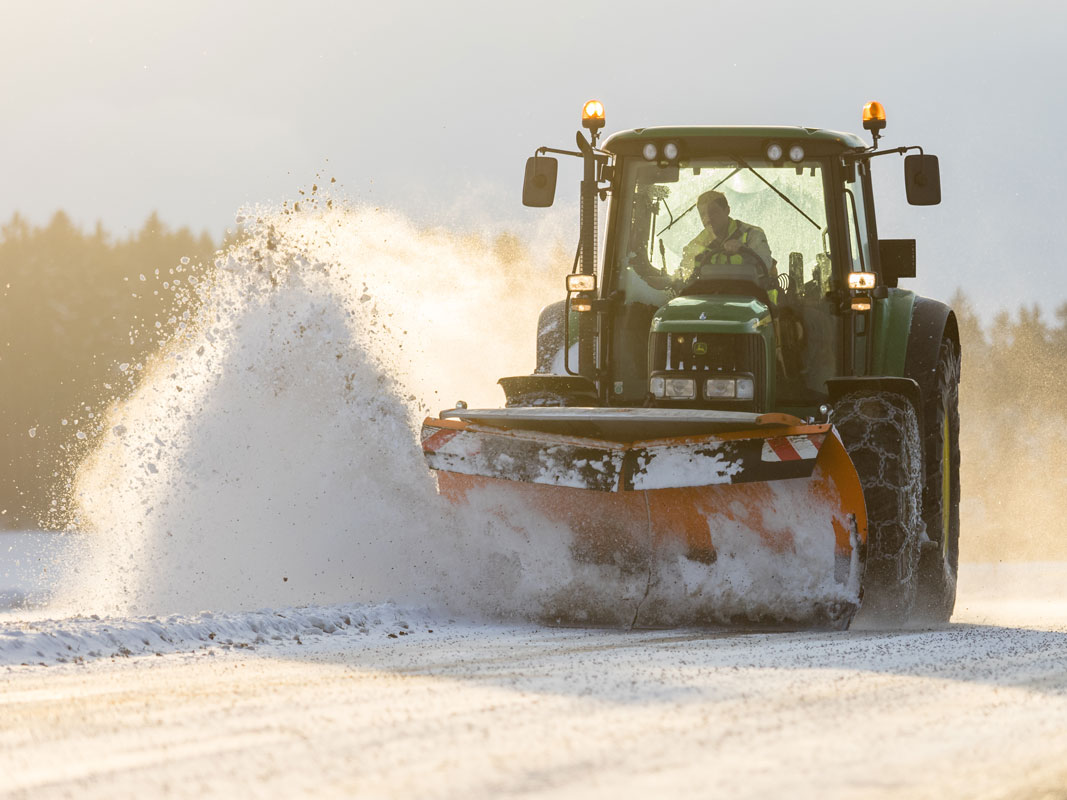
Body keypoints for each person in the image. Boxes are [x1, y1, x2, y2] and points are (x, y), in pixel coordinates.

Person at [679, 190, 774, 284]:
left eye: (713, 212)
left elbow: (765, 265)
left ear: (727, 210)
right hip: (710, 296)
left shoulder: (752, 234)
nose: (708, 218)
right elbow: (684, 274)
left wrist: (744, 250)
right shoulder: (696, 244)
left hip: (749, 294)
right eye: (703, 214)